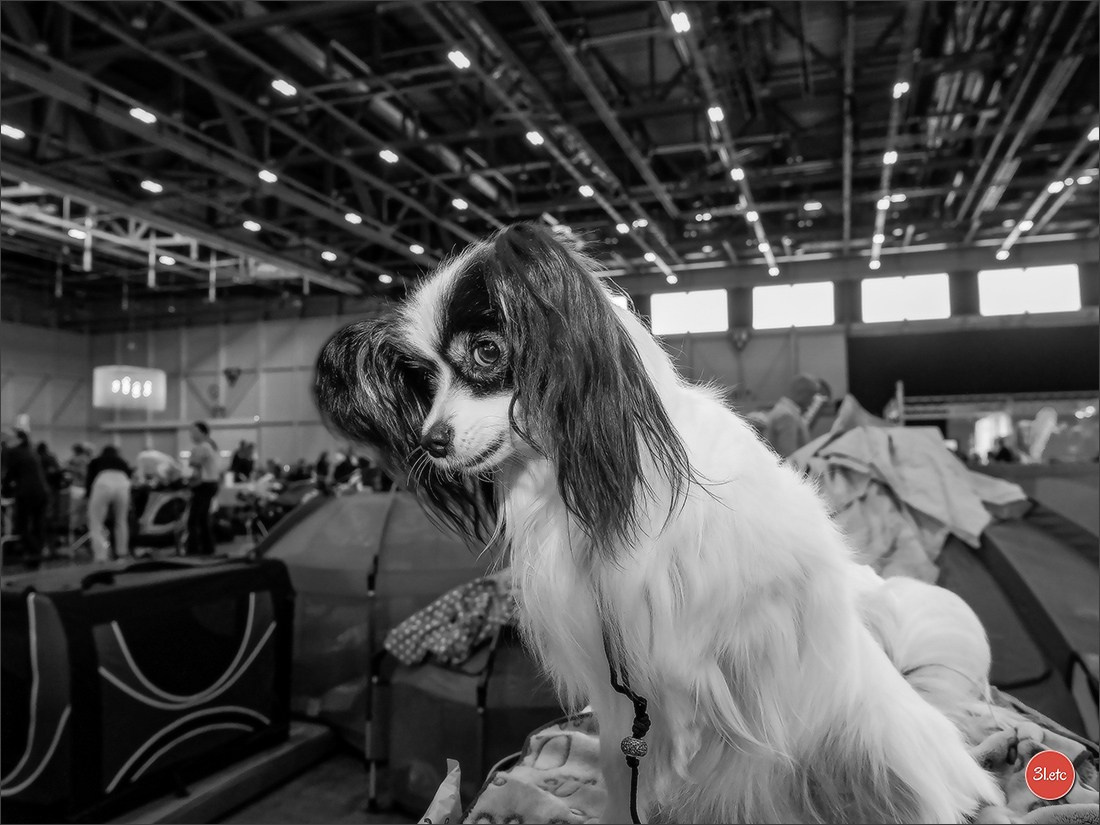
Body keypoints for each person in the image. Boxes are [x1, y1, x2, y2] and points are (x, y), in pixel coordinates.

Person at [1, 429, 50, 562]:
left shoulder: (14, 452)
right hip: (42, 491)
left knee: (20, 525)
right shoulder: (31, 451)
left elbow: (9, 474)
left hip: (27, 492)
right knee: (38, 524)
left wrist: (5, 492)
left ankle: (33, 551)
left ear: (19, 439)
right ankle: (38, 552)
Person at [86, 444, 133, 561]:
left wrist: (88, 495)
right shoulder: (122, 462)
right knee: (121, 520)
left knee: (96, 522)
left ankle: (100, 555)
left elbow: (89, 479)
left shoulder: (96, 461)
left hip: (103, 483)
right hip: (123, 484)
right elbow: (130, 475)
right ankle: (122, 552)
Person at [764, 374, 821, 458]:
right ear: (803, 393)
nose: (812, 401)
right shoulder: (787, 416)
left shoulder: (786, 411)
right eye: (812, 396)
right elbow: (789, 456)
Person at [186, 421, 221, 556]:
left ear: (203, 433)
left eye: (194, 432)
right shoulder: (210, 446)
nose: (192, 435)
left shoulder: (202, 448)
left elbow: (194, 468)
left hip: (204, 485)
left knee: (193, 520)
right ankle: (208, 548)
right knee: (202, 518)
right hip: (210, 484)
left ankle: (193, 550)